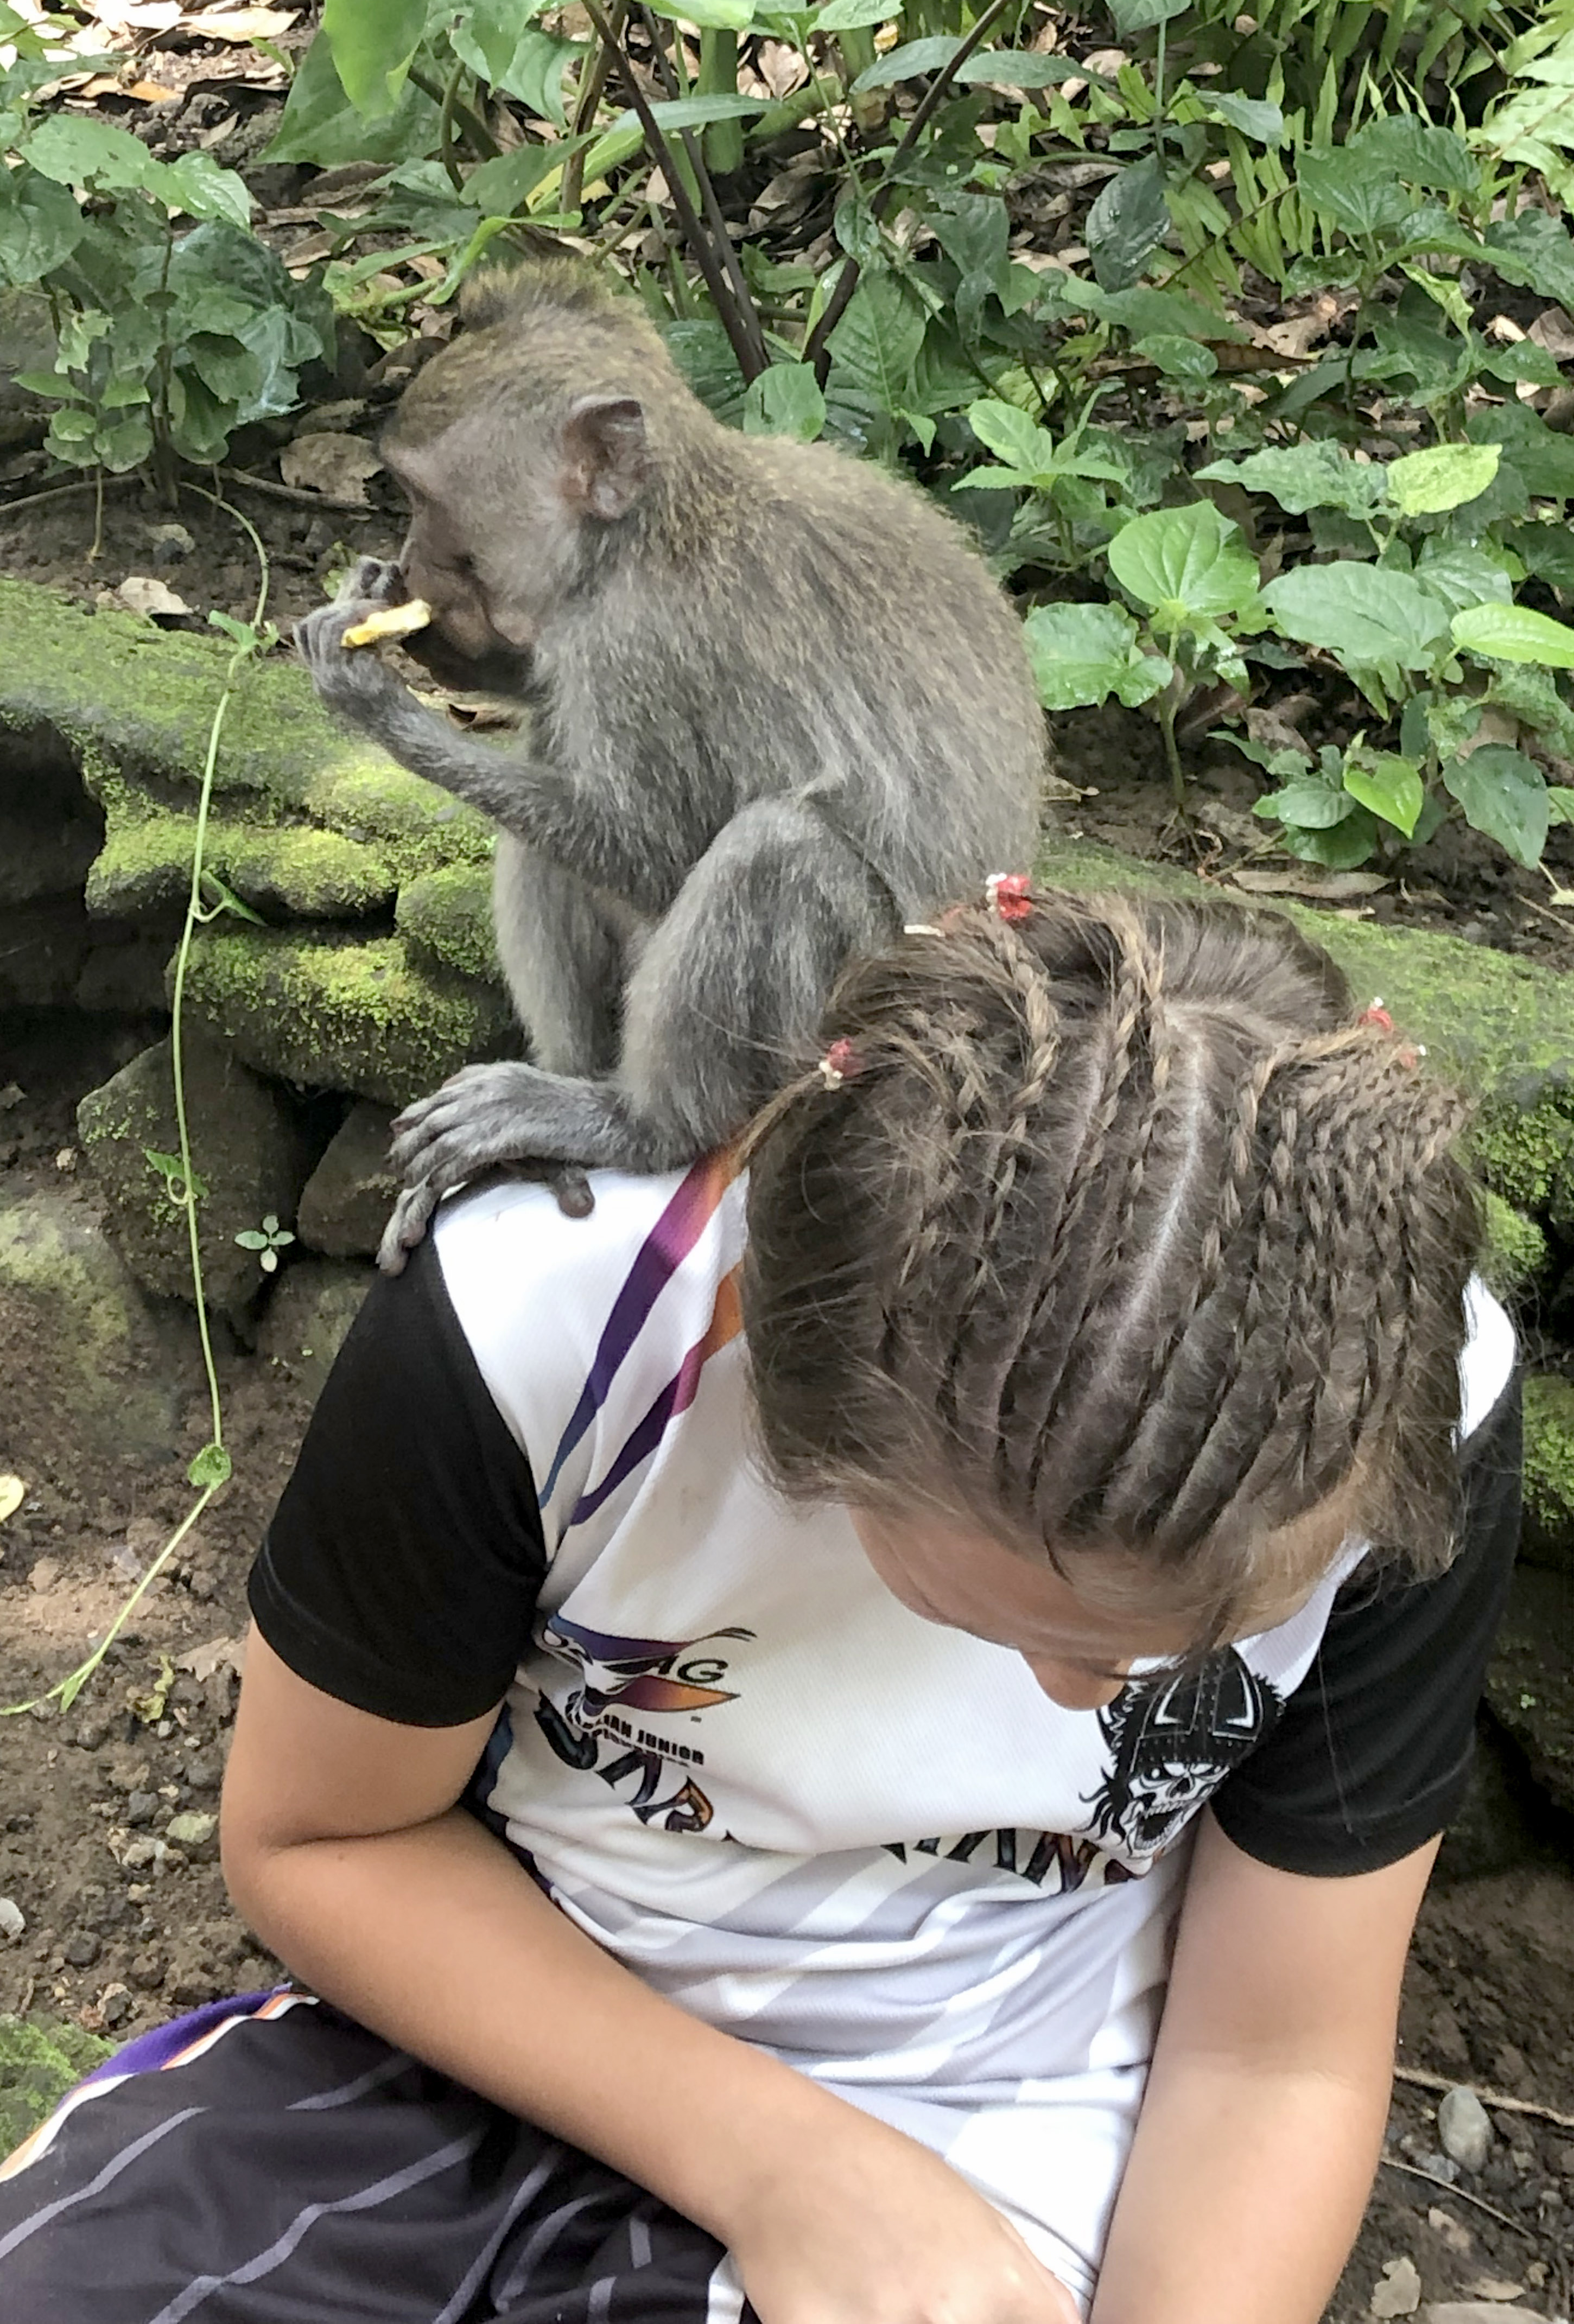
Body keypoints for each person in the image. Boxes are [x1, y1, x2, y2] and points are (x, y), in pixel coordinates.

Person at [0, 887, 1520, 2324]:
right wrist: (788, 2165)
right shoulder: (561, 1313)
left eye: (1187, 1640)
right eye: (1012, 1627)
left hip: (997, 2117)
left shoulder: (1400, 1385)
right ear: (789, 1408)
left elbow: (1272, 2056)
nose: (1087, 1704)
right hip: (492, 2008)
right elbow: (327, 1835)